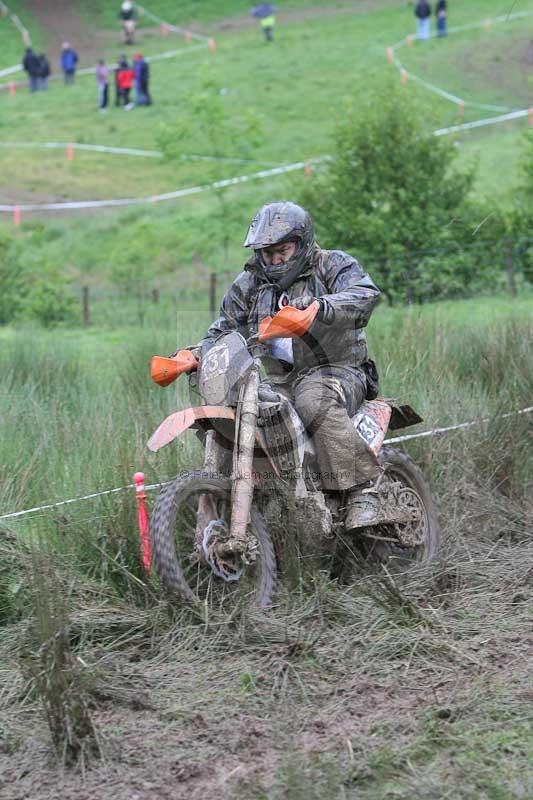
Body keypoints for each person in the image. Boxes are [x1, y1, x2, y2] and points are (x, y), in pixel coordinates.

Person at [195, 202, 383, 528]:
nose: (275, 260)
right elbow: (224, 327)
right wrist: (196, 354)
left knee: (313, 400)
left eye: (283, 251)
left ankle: (362, 490)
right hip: (280, 378)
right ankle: (244, 495)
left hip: (338, 370)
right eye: (268, 253)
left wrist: (320, 308)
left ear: (302, 242)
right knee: (241, 410)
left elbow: (366, 294)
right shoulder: (251, 283)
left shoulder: (332, 264)